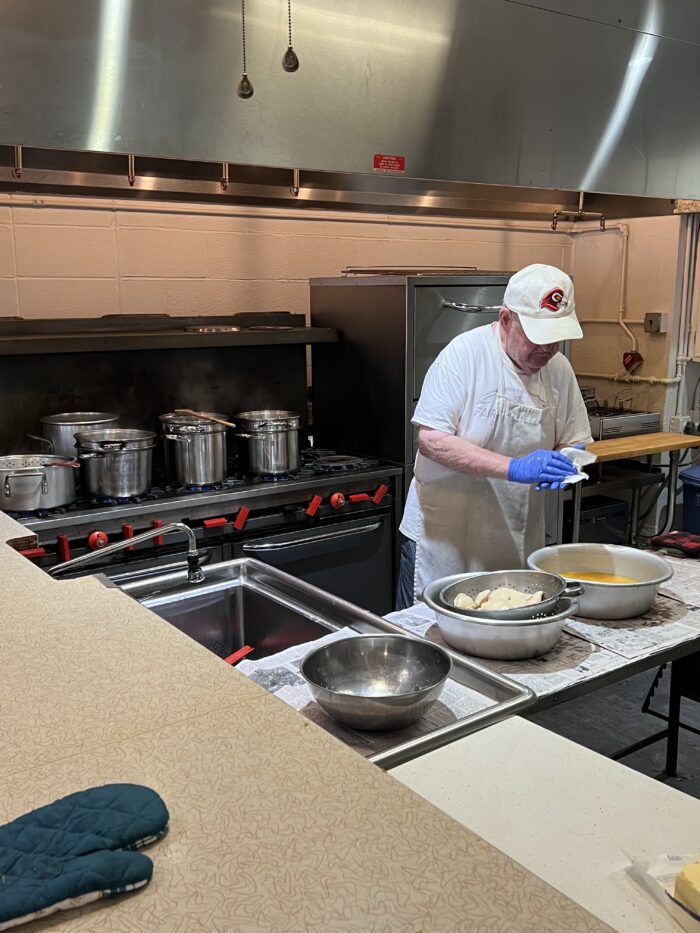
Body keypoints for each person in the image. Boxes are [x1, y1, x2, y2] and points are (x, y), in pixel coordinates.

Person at [397, 263, 593, 610]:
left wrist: (566, 463)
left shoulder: (558, 369)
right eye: (538, 337)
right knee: (431, 641)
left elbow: (574, 437)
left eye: (555, 338)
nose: (547, 350)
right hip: (446, 537)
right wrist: (514, 467)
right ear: (506, 320)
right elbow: (432, 440)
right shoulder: (463, 356)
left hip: (514, 538)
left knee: (505, 641)